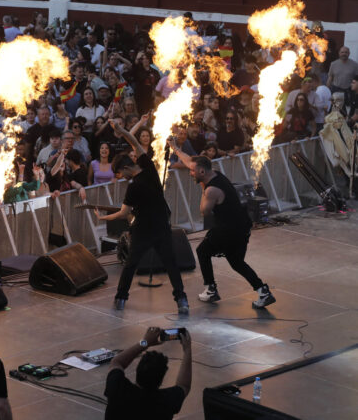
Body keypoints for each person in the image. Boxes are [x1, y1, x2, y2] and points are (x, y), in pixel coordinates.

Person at [95, 121, 188, 314]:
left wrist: (102, 218)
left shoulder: (133, 186)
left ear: (125, 169)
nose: (121, 177)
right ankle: (181, 300)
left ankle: (121, 298)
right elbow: (134, 143)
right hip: (161, 226)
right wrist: (122, 132)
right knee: (171, 264)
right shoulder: (149, 169)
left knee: (130, 265)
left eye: (120, 174)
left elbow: (123, 213)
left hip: (143, 230)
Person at [168, 142, 276, 308]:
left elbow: (204, 211)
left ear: (202, 172)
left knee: (202, 251)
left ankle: (211, 290)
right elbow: (190, 161)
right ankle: (263, 291)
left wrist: (203, 189)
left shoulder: (211, 190)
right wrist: (175, 148)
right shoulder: (214, 173)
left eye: (192, 172)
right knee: (236, 262)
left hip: (230, 229)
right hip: (240, 225)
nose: (190, 173)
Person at [105, 327, 191, 420]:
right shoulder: (167, 400)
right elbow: (184, 385)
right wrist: (187, 350)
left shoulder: (118, 388)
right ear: (161, 380)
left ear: (137, 370)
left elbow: (116, 362)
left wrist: (145, 342)